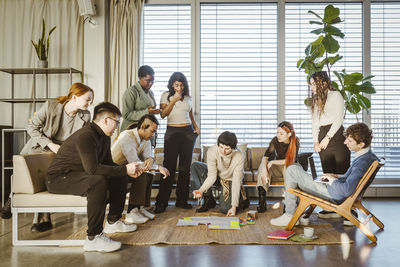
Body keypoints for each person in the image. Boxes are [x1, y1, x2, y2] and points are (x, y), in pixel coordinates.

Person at [46, 102, 141, 253]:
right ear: (106, 120)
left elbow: (109, 163)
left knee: (120, 176)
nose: (117, 126)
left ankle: (113, 221)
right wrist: (124, 169)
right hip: (58, 179)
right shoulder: (86, 135)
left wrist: (127, 170)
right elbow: (93, 169)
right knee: (98, 181)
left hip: (78, 174)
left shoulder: (104, 136)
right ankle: (93, 237)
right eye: (116, 122)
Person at [1, 83, 94, 232]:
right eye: (87, 99)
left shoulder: (85, 115)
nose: (90, 103)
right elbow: (31, 127)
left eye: (91, 100)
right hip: (39, 146)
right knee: (34, 174)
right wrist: (50, 145)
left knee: (50, 177)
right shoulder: (51, 106)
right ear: (75, 97)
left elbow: (81, 139)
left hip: (63, 153)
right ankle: (14, 199)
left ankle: (40, 218)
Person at [270, 122, 378, 227]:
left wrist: (331, 181)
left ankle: (289, 214)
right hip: (334, 190)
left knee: (292, 169)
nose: (345, 143)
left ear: (361, 144)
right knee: (295, 168)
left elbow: (346, 190)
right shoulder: (368, 156)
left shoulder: (362, 162)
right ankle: (292, 211)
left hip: (334, 195)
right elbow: (351, 180)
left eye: (349, 141)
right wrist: (335, 176)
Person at [154, 72, 200, 213]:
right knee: (169, 167)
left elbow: (191, 116)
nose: (179, 87)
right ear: (172, 85)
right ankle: (162, 202)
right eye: (176, 85)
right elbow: (163, 114)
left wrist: (196, 127)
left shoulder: (188, 98)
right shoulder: (165, 96)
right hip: (172, 133)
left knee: (185, 169)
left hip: (188, 133)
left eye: (181, 85)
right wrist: (173, 100)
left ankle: (181, 200)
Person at [111, 114, 170, 224]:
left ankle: (141, 207)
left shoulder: (146, 140)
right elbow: (135, 163)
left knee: (149, 173)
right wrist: (158, 167)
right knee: (141, 172)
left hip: (127, 170)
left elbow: (147, 159)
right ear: (143, 127)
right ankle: (132, 211)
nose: (153, 135)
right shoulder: (126, 137)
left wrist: (151, 159)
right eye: (152, 131)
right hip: (115, 171)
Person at [309, 71, 351, 218]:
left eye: (314, 84)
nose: (312, 87)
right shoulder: (316, 99)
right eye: (311, 84)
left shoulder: (336, 95)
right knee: (328, 174)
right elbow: (315, 122)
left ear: (324, 83)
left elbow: (339, 119)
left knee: (341, 174)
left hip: (337, 135)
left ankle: (349, 210)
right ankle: (332, 208)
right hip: (322, 135)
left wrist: (328, 137)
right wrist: (316, 141)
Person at [191, 131, 249, 216]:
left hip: (230, 179)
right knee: (195, 166)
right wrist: (201, 190)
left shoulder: (239, 156)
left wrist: (234, 207)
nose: (223, 151)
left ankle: (242, 198)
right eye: (221, 147)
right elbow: (211, 176)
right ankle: (208, 199)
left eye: (227, 149)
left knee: (225, 210)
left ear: (233, 148)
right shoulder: (212, 151)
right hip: (217, 176)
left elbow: (236, 181)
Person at [256, 121, 300, 213]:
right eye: (277, 132)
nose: (278, 135)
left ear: (289, 134)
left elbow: (290, 161)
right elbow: (265, 157)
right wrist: (264, 170)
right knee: (262, 166)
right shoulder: (275, 140)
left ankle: (289, 203)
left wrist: (272, 162)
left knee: (287, 168)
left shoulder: (295, 141)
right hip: (278, 167)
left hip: (291, 167)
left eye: (281, 133)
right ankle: (262, 201)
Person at [120, 65, 161, 132]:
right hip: (132, 130)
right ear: (139, 78)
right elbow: (126, 114)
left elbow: (149, 111)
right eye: (148, 80)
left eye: (152, 80)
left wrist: (154, 111)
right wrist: (147, 112)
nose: (151, 83)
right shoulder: (131, 92)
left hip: (146, 131)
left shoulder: (151, 93)